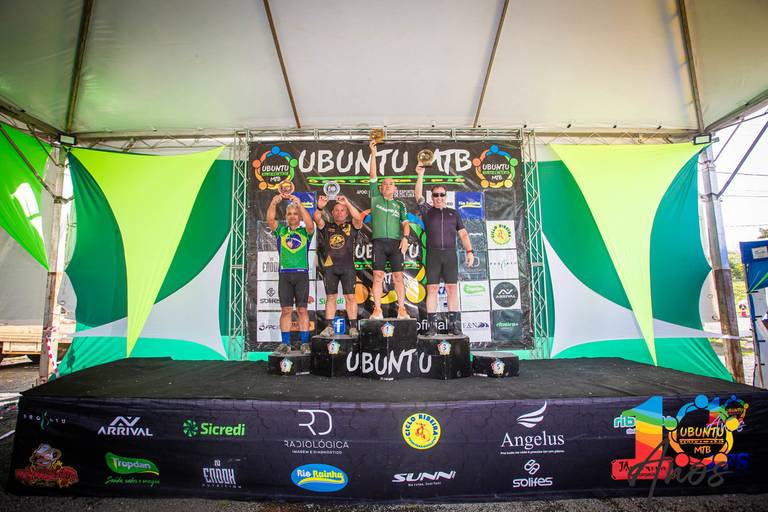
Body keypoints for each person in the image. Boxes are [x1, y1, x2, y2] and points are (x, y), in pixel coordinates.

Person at [414, 164, 474, 335]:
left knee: (452, 289)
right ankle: (431, 326)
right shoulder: (427, 211)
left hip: (450, 256)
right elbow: (418, 195)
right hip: (433, 255)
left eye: (442, 194)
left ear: (445, 196)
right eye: (436, 195)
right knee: (432, 290)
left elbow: (463, 234)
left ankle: (454, 325)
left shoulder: (454, 213)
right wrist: (420, 174)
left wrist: (470, 251)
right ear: (432, 197)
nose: (439, 197)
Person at [266, 192, 314, 354]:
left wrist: (300, 205)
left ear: (299, 216)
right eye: (289, 214)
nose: (292, 216)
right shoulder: (281, 231)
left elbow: (310, 225)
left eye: (295, 214)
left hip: (301, 274)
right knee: (286, 310)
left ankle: (305, 343)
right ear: (286, 217)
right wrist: (274, 202)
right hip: (285, 275)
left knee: (302, 310)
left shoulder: (305, 232)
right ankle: (285, 344)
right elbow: (270, 220)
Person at [368, 140, 410, 319]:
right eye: (384, 184)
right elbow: (373, 174)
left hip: (395, 244)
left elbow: (406, 224)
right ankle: (377, 309)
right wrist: (373, 153)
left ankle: (402, 309)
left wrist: (406, 238)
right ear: (380, 187)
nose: (387, 185)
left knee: (398, 276)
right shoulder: (375, 198)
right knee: (377, 275)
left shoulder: (399, 205)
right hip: (378, 243)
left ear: (395, 188)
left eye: (390, 184)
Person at [314, 194, 364, 337]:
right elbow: (317, 218)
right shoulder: (327, 227)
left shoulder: (351, 226)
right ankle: (329, 327)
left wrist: (347, 202)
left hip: (348, 268)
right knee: (331, 297)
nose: (339, 213)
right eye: (336, 210)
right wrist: (320, 207)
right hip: (330, 268)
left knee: (350, 297)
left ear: (346, 213)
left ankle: (353, 327)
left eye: (342, 210)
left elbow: (359, 218)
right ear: (332, 213)